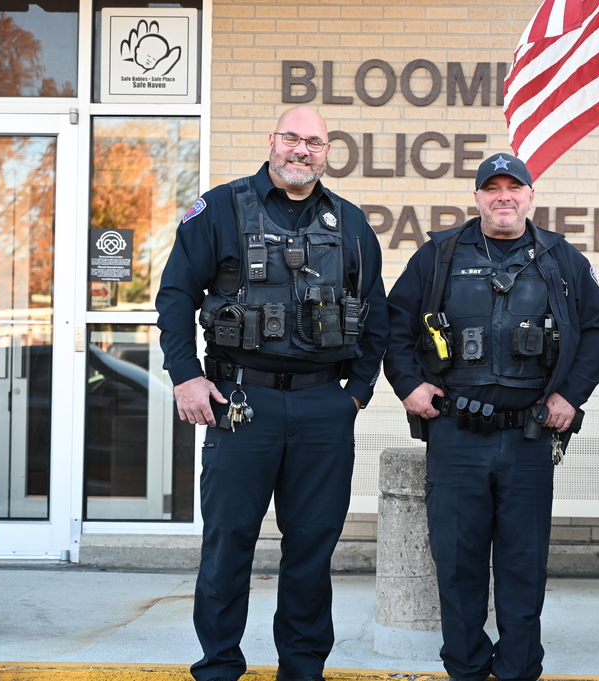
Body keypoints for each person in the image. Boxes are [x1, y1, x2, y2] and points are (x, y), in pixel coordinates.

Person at [156, 106, 388, 681]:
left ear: (326, 152)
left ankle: (303, 668)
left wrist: (354, 394)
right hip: (240, 403)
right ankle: (218, 666)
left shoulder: (353, 225)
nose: (301, 151)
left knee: (311, 547)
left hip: (321, 408)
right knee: (228, 543)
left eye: (313, 142)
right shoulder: (219, 209)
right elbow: (175, 296)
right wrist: (187, 376)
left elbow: (377, 316)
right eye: (292, 138)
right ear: (272, 141)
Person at [384, 152, 599, 681]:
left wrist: (570, 396)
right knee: (458, 565)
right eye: (493, 188)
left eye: (515, 187)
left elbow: (595, 329)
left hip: (529, 436)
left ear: (531, 195)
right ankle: (464, 667)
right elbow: (395, 325)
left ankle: (517, 669)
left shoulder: (561, 258)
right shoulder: (438, 254)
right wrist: (409, 385)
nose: (503, 196)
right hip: (456, 435)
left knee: (523, 565)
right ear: (478, 195)